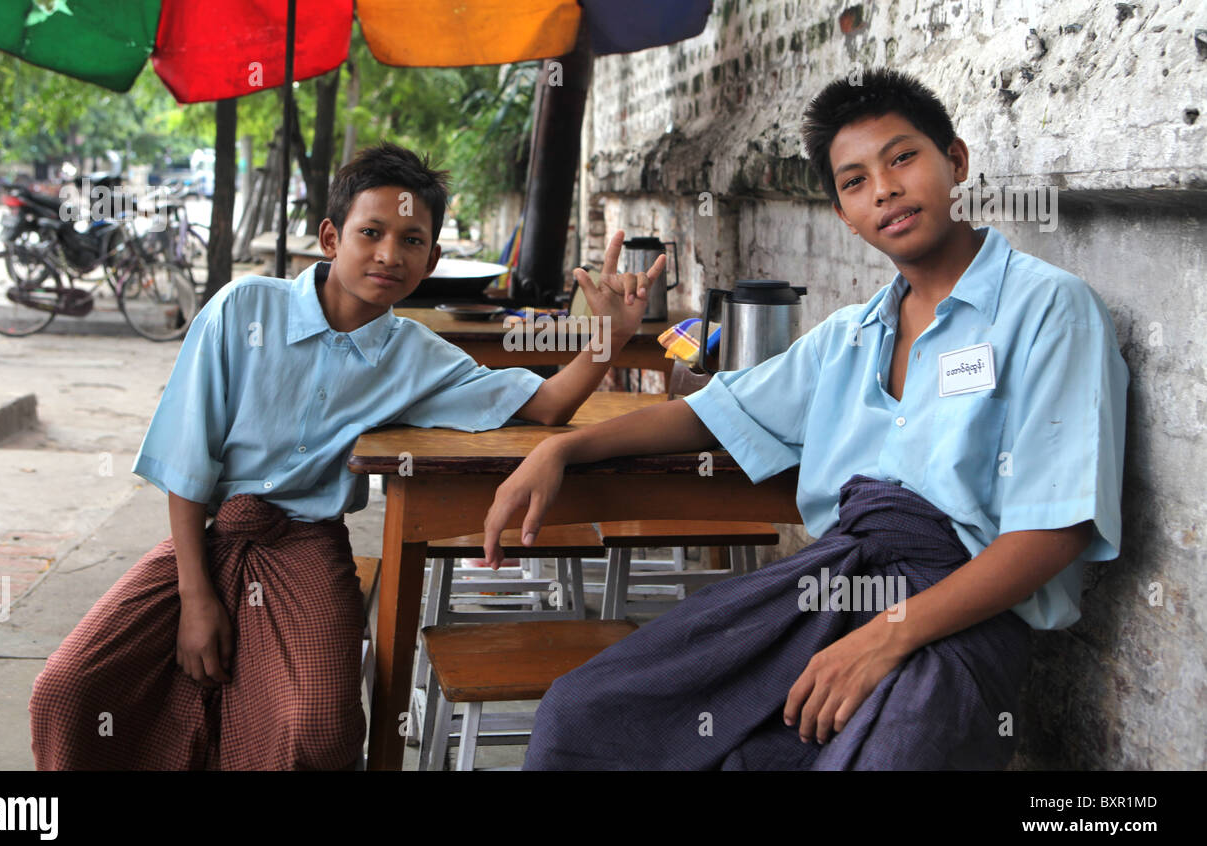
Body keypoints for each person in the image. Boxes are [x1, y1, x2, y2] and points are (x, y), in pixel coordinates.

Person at [483, 68, 1129, 770]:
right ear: (845, 217)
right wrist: (565, 451)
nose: (883, 189)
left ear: (957, 162)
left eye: (903, 157)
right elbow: (709, 414)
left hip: (958, 621)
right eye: (854, 182)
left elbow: (1054, 531)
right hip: (824, 595)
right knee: (589, 713)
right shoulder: (849, 337)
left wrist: (889, 634)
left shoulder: (1047, 309)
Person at [29, 141, 665, 770]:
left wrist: (611, 336)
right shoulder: (243, 309)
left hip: (306, 542)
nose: (390, 254)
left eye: (412, 240)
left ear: (434, 258)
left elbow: (545, 406)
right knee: (69, 691)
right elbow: (188, 463)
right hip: (210, 539)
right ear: (331, 238)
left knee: (319, 728)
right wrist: (196, 599)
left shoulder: (417, 355)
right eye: (372, 232)